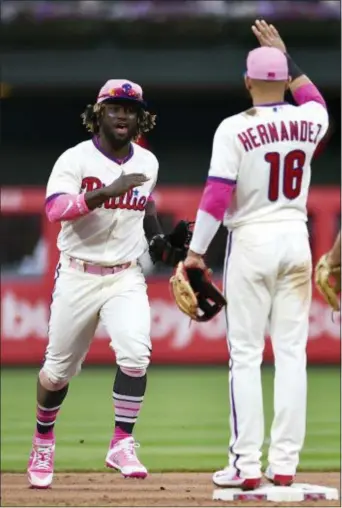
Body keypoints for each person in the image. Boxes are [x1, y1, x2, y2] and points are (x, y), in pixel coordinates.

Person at [183, 20, 329, 490]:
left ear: (247, 81)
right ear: (284, 79)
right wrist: (290, 59)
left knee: (245, 356)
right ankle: (284, 463)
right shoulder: (309, 119)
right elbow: (317, 102)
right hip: (295, 236)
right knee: (292, 355)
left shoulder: (233, 129)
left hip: (252, 238)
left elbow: (215, 196)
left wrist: (195, 254)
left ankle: (245, 465)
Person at [27, 79, 183, 488]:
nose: (122, 115)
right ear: (98, 114)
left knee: (136, 353)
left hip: (125, 275)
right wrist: (104, 193)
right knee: (56, 373)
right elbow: (54, 209)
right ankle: (43, 439)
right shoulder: (75, 159)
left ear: (139, 118)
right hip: (78, 273)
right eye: (114, 108)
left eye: (130, 110)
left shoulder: (147, 163)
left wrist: (159, 241)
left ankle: (121, 442)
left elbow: (144, 207)